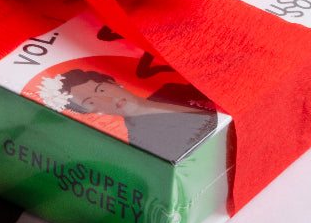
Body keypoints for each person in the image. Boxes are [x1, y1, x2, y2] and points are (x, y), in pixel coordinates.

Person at [57, 69, 218, 162]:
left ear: (112, 82)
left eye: (101, 89)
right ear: (93, 111)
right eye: (90, 102)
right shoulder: (144, 141)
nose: (107, 99)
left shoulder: (171, 89)